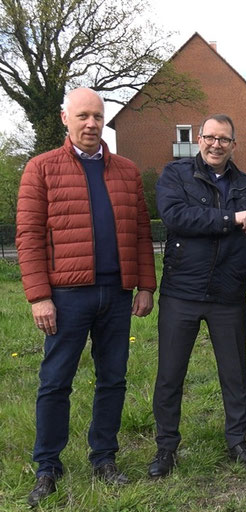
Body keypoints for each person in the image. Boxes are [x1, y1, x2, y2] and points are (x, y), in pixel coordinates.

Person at [15, 88, 156, 506]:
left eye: (97, 116)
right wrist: (40, 296)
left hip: (116, 294)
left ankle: (104, 458)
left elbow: (143, 233)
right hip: (66, 296)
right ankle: (47, 467)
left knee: (112, 380)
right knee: (55, 382)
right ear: (65, 118)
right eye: (82, 116)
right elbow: (28, 237)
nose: (90, 123)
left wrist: (145, 285)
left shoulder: (127, 171)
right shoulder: (41, 169)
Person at [149, 114, 246, 477]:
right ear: (199, 139)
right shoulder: (175, 175)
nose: (216, 144)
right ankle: (166, 448)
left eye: (224, 139)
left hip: (227, 294)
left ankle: (238, 441)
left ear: (234, 144)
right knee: (170, 374)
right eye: (210, 137)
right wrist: (231, 219)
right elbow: (176, 217)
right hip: (181, 292)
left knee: (234, 373)